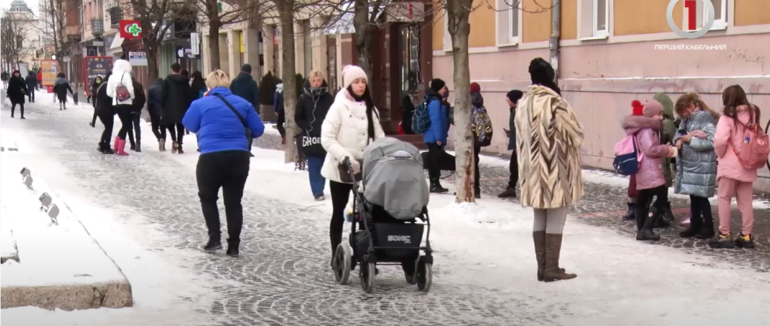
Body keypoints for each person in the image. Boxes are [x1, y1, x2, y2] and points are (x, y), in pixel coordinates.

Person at [182, 70, 265, 257]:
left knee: (208, 197)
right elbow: (258, 130)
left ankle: (214, 239)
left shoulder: (200, 103)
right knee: (234, 201)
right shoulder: (243, 104)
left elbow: (189, 125)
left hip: (210, 156)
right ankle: (233, 246)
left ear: (209, 86)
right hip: (238, 156)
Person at [515, 58, 583, 282]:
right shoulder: (555, 103)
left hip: (532, 168)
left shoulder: (523, 103)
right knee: (556, 215)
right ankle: (551, 268)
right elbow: (575, 135)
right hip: (555, 167)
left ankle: (542, 267)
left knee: (539, 215)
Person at [321, 65, 385, 268]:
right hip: (341, 168)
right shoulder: (338, 108)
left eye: (363, 81)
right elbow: (327, 138)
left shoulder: (370, 108)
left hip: (366, 170)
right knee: (340, 212)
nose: (360, 85)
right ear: (348, 84)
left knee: (366, 213)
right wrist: (346, 157)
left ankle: (366, 252)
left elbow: (380, 137)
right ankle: (336, 255)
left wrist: (380, 155)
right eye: (356, 82)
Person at [712, 85, 760, 249]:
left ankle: (724, 234)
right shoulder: (753, 114)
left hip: (729, 165)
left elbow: (720, 140)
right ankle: (746, 235)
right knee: (746, 201)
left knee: (724, 198)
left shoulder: (727, 117)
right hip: (748, 163)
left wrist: (720, 155)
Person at [672, 92, 718, 239]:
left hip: (702, 165)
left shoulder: (706, 118)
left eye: (683, 111)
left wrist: (690, 140)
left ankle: (708, 226)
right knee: (693, 196)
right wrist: (679, 140)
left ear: (691, 106)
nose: (683, 115)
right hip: (691, 165)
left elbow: (712, 142)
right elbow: (679, 132)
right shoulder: (687, 119)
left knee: (701, 197)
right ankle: (695, 223)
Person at [633, 99, 676, 241]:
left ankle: (642, 230)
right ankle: (646, 228)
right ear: (651, 115)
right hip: (650, 168)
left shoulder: (646, 127)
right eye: (659, 114)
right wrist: (665, 149)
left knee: (644, 197)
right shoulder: (647, 129)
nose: (661, 117)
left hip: (647, 168)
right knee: (661, 197)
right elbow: (650, 149)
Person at [295, 69, 334, 201]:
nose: (316, 83)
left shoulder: (328, 98)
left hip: (325, 136)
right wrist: (307, 126)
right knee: (314, 164)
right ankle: (317, 191)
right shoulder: (303, 98)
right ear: (310, 82)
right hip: (310, 137)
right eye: (314, 81)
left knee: (324, 163)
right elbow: (298, 117)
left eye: (319, 81)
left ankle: (321, 187)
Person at [423, 78, 450, 193]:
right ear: (438, 88)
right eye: (443, 88)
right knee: (434, 160)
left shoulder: (434, 99)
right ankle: (434, 183)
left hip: (432, 135)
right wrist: (439, 138)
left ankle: (436, 183)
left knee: (435, 160)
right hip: (434, 137)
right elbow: (436, 121)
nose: (444, 90)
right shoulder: (435, 101)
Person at [106, 59, 136, 156]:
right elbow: (130, 89)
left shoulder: (111, 76)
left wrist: (116, 96)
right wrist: (131, 97)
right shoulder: (126, 75)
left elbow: (108, 93)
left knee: (125, 124)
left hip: (116, 104)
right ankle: (120, 148)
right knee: (127, 125)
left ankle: (116, 146)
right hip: (126, 103)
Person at [161, 62, 192, 154]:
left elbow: (163, 94)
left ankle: (174, 140)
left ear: (172, 70)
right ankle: (180, 145)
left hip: (169, 106)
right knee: (180, 126)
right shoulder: (185, 81)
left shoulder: (167, 80)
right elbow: (188, 94)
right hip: (182, 106)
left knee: (170, 125)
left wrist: (163, 105)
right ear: (180, 70)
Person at [470, 82, 493, 199]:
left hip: (470, 136)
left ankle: (470, 188)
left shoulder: (469, 103)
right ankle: (476, 189)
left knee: (469, 163)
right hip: (478, 137)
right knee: (474, 162)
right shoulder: (480, 104)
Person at [499, 90, 523, 199]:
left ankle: (512, 188)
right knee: (514, 166)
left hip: (519, 143)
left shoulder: (518, 111)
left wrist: (518, 144)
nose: (507, 101)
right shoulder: (515, 109)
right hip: (517, 142)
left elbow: (520, 127)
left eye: (508, 99)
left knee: (515, 166)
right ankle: (511, 187)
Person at [126, 72, 147, 152]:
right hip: (137, 109)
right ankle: (138, 143)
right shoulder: (139, 85)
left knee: (129, 127)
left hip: (128, 108)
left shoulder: (126, 86)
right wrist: (139, 107)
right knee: (137, 126)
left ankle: (132, 143)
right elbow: (143, 98)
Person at [95, 72, 115, 154]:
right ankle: (106, 147)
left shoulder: (102, 85)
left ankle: (102, 144)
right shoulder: (109, 86)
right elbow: (111, 99)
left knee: (107, 128)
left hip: (100, 110)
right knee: (109, 128)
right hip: (107, 110)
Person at [147, 78, 166, 151]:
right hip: (164, 111)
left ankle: (159, 138)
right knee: (163, 128)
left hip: (154, 110)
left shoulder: (151, 89)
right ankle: (163, 144)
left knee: (154, 128)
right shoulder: (165, 89)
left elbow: (149, 102)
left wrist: (150, 111)